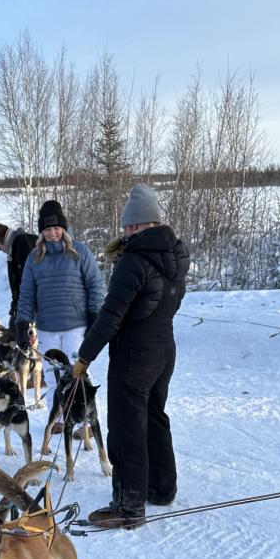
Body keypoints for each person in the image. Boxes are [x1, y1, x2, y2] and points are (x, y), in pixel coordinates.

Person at [73, 184, 189, 529]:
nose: (123, 232)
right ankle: (161, 488)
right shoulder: (177, 255)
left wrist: (84, 357)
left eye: (127, 226)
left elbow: (111, 315)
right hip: (164, 349)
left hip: (134, 355)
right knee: (154, 417)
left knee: (127, 429)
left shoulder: (134, 260)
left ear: (139, 225)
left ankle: (128, 506)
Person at [15, 200, 104, 382]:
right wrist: (22, 324)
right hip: (47, 330)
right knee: (52, 377)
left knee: (78, 375)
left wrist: (95, 315)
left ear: (63, 228)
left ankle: (85, 410)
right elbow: (26, 295)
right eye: (47, 229)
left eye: (56, 228)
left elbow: (95, 285)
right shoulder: (34, 258)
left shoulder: (80, 252)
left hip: (76, 328)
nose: (52, 233)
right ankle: (56, 412)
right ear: (41, 232)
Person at [0, 222, 37, 329]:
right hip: (25, 304)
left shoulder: (21, 243)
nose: (1, 250)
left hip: (32, 304)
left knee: (17, 334)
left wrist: (21, 309)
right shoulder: (15, 246)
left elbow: (27, 279)